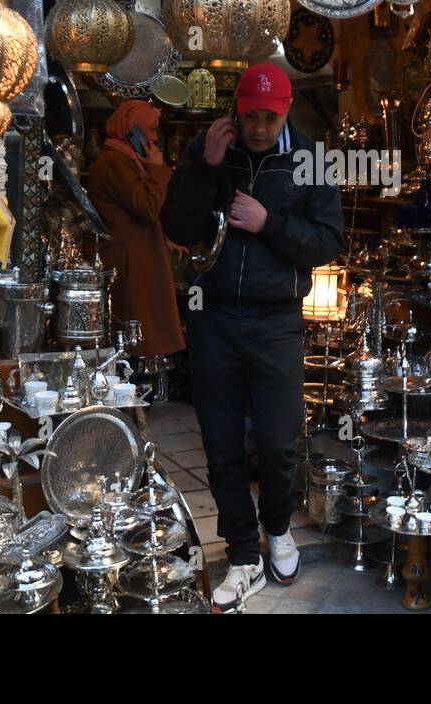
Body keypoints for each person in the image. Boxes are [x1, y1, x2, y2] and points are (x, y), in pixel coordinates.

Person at [161, 63, 345, 611]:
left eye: (270, 117)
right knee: (220, 444)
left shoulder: (310, 160)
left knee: (279, 442)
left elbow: (328, 241)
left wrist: (269, 222)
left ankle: (279, 528)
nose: (259, 128)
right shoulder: (209, 148)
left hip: (276, 320)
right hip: (214, 318)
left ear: (286, 111)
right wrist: (204, 166)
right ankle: (243, 554)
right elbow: (175, 226)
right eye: (250, 116)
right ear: (236, 110)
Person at [85, 100, 184, 359]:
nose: (154, 138)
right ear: (133, 131)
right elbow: (147, 207)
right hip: (131, 263)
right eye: (150, 131)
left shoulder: (124, 160)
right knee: (138, 335)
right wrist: (157, 167)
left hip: (138, 256)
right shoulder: (115, 163)